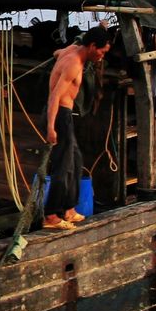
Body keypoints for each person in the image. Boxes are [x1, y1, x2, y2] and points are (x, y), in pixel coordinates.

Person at [42, 27, 112, 231]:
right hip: (58, 116)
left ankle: (69, 210)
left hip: (63, 116)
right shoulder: (73, 63)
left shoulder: (71, 50)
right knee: (62, 168)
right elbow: (55, 96)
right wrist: (50, 127)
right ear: (92, 46)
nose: (102, 56)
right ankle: (51, 215)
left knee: (77, 161)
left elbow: (56, 53)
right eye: (102, 51)